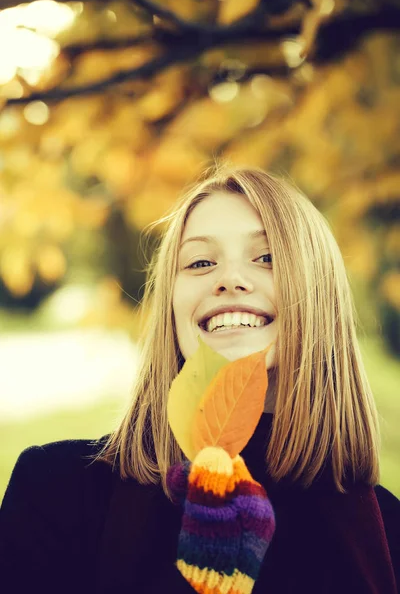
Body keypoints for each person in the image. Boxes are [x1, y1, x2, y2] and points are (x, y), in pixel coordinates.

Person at [0, 164, 398, 594]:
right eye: (200, 262)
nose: (228, 280)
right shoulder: (55, 491)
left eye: (267, 257)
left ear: (319, 296)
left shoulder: (387, 530)